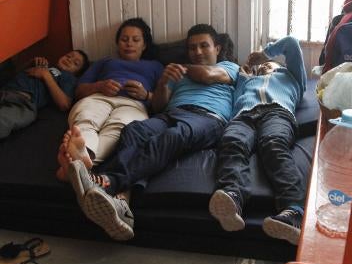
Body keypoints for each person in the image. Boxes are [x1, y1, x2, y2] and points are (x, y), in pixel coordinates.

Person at [64, 23, 239, 241]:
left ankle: (106, 181)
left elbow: (207, 75)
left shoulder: (229, 67)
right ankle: (121, 205)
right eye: (193, 48)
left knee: (172, 137)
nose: (198, 52)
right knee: (134, 131)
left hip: (207, 117)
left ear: (218, 49)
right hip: (171, 114)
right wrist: (164, 82)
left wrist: (179, 67)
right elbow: (158, 106)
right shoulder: (175, 74)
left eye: (204, 46)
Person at [208, 36, 307, 246]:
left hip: (277, 113)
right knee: (231, 142)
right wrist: (244, 77)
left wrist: (264, 55)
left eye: (268, 64)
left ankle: (294, 211)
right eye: (260, 66)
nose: (263, 67)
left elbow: (291, 43)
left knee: (273, 144)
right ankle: (232, 197)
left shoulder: (292, 76)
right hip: (244, 115)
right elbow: (236, 102)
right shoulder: (249, 81)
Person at [56, 17, 163, 182]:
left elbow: (165, 101)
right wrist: (99, 86)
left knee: (120, 129)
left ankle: (78, 162)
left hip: (133, 105)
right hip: (99, 98)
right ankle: (80, 159)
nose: (129, 44)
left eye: (136, 40)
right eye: (124, 39)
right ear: (117, 43)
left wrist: (146, 95)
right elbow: (78, 91)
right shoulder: (105, 61)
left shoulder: (155, 66)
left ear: (144, 45)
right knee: (86, 119)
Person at [0, 50, 89, 140]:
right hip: (5, 91)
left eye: (75, 63)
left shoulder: (69, 78)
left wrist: (46, 75)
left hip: (22, 103)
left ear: (78, 73)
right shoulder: (47, 65)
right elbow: (15, 74)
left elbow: (64, 104)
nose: (69, 60)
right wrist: (30, 63)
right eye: (68, 56)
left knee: (3, 121)